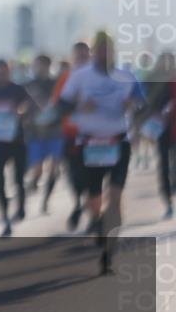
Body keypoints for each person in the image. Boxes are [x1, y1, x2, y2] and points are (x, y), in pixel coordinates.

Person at [57, 31, 145, 274]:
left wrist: (133, 106)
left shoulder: (126, 76)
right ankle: (97, 220)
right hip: (90, 144)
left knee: (115, 198)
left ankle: (108, 255)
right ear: (95, 52)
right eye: (101, 50)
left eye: (110, 50)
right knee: (94, 199)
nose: (106, 54)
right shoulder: (79, 76)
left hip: (119, 141)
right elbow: (61, 106)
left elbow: (142, 102)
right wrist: (78, 105)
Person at [0, 59, 32, 236]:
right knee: (0, 181)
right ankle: (5, 217)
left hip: (18, 141)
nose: (0, 76)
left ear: (9, 72)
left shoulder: (17, 89)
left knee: (19, 179)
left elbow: (28, 105)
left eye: (3, 72)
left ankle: (20, 207)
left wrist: (20, 110)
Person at [52, 42, 91, 231]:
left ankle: (94, 214)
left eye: (85, 55)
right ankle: (78, 203)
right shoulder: (66, 78)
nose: (82, 59)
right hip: (71, 134)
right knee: (74, 175)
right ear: (73, 57)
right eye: (79, 55)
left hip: (95, 135)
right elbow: (58, 105)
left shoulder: (100, 77)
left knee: (93, 175)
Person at [25, 54, 65, 213]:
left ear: (49, 66)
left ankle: (46, 201)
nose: (39, 68)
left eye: (42, 65)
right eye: (37, 65)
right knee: (38, 170)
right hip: (36, 133)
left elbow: (63, 104)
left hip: (55, 131)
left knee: (54, 168)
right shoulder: (29, 85)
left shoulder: (56, 84)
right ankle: (33, 182)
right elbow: (23, 107)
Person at [139, 51, 174, 218]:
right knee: (164, 165)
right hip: (161, 128)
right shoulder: (152, 80)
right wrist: (153, 114)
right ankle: (167, 202)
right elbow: (144, 102)